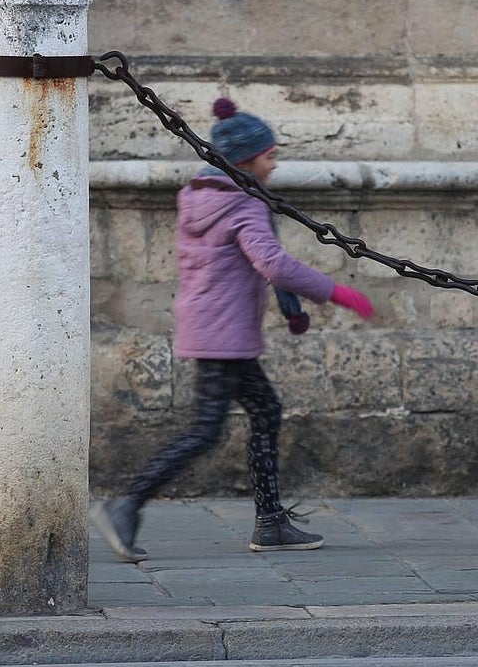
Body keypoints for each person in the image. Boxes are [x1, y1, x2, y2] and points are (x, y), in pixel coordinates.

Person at [91, 97, 374, 562]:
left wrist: (290, 308)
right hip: (222, 333)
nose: (275, 163)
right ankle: (127, 504)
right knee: (205, 430)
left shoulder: (202, 196)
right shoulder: (242, 205)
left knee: (265, 410)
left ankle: (271, 522)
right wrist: (338, 293)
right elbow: (274, 264)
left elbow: (262, 263)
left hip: (213, 327)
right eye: (269, 155)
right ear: (245, 161)